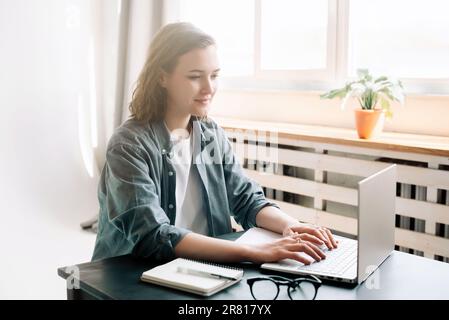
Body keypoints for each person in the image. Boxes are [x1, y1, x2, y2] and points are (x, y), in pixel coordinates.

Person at [92, 22, 338, 264]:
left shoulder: (210, 134)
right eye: (195, 77)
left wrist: (292, 226)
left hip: (202, 269)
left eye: (215, 75)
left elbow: (244, 199)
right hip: (134, 276)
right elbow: (153, 236)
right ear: (162, 77)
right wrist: (255, 252)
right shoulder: (128, 146)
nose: (209, 88)